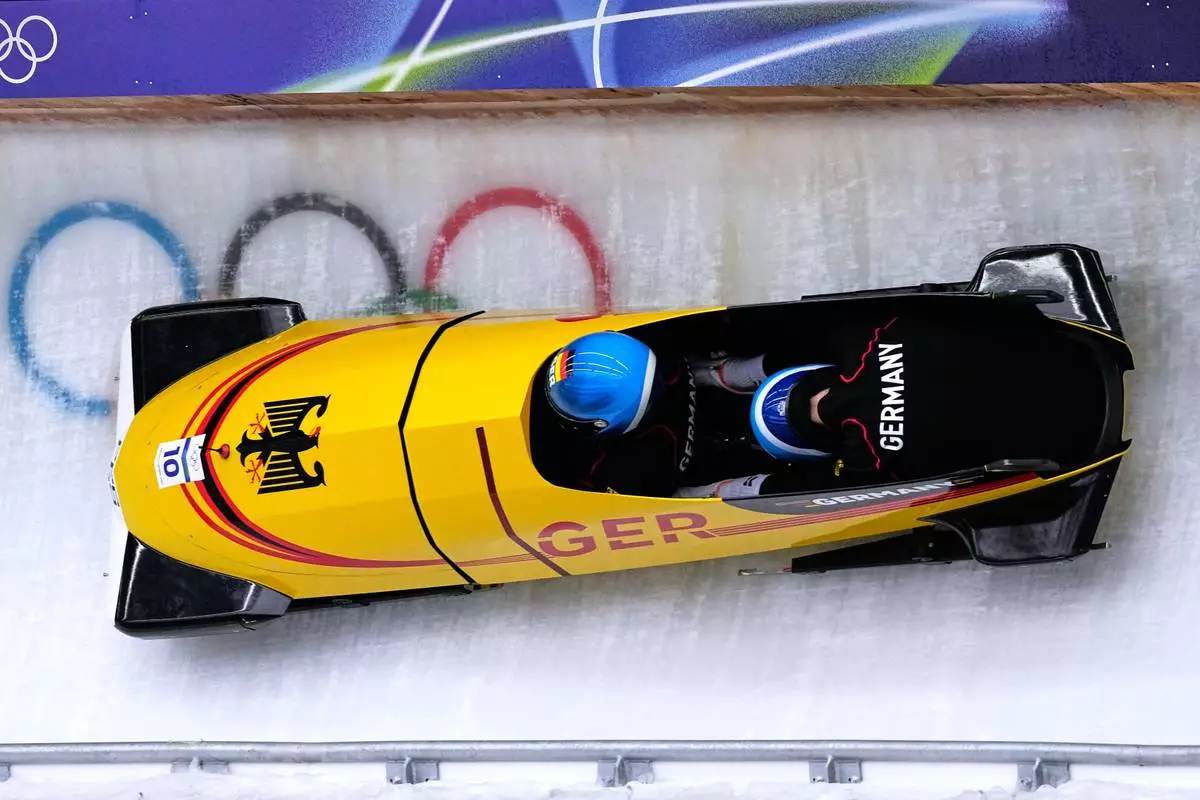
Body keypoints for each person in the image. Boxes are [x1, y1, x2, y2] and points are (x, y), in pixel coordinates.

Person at [676, 302, 1097, 499]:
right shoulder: (867, 340)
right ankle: (731, 372)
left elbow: (805, 493)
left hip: (1080, 440)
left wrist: (711, 495)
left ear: (816, 449)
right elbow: (810, 334)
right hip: (1069, 346)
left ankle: (723, 381)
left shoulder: (870, 458)